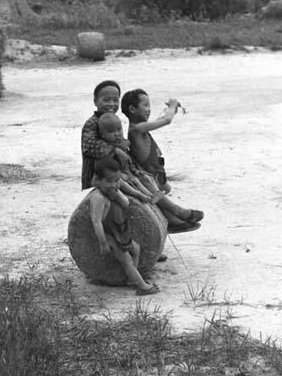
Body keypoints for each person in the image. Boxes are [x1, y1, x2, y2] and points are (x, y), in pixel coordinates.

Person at [82, 81, 204, 234]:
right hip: (103, 174)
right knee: (145, 186)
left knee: (147, 181)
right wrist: (116, 150)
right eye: (106, 100)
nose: (111, 103)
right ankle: (177, 213)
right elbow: (89, 146)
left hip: (119, 170)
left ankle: (164, 225)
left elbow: (124, 149)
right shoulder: (92, 123)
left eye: (115, 99)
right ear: (95, 101)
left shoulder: (113, 120)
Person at [121, 87, 204, 229]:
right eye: (145, 105)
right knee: (160, 193)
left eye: (149, 106)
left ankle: (170, 218)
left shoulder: (141, 128)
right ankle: (178, 216)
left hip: (156, 173)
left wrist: (171, 111)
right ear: (132, 109)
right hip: (150, 176)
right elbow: (166, 120)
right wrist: (172, 106)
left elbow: (162, 119)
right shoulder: (137, 129)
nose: (149, 109)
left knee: (166, 189)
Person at [88, 158, 160, 296]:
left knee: (136, 249)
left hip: (119, 231)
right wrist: (103, 243)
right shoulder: (98, 198)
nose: (114, 185)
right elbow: (96, 222)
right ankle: (142, 286)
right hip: (108, 234)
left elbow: (126, 203)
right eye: (109, 181)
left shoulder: (111, 191)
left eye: (116, 181)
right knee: (126, 260)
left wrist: (116, 194)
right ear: (97, 180)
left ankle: (132, 278)